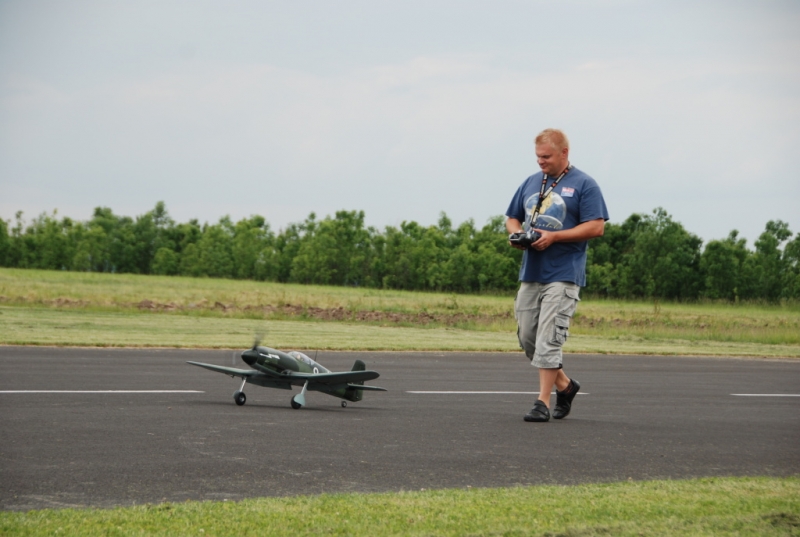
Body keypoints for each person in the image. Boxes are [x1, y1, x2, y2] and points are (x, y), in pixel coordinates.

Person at [505, 128, 608, 422]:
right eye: (538, 156)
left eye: (546, 156)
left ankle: (542, 402)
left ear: (564, 153)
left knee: (549, 338)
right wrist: (517, 235)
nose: (541, 162)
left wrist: (555, 237)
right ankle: (565, 385)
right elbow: (512, 217)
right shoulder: (531, 182)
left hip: (563, 272)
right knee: (528, 337)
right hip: (532, 271)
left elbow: (596, 227)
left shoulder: (585, 184)